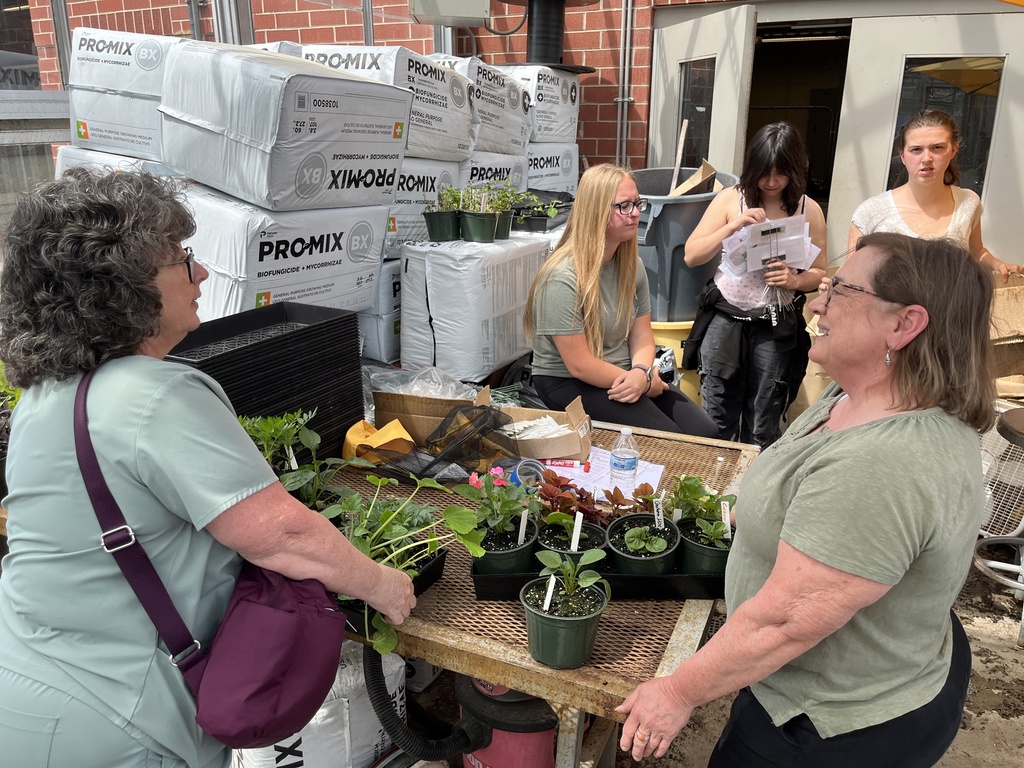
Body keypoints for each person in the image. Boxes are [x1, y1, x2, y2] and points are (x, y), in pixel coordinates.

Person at [0, 169, 416, 768]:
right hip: (124, 722)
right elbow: (286, 537)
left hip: (30, 690)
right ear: (124, 284)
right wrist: (382, 585)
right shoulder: (157, 395)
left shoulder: (46, 395)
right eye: (181, 258)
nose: (202, 274)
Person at [616, 232, 993, 767]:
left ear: (904, 324)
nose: (817, 301)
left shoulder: (880, 465)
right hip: (844, 672)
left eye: (840, 290)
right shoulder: (859, 395)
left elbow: (783, 622)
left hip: (828, 723)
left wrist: (677, 693)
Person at [524, 163, 719, 438]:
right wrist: (643, 380)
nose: (636, 213)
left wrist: (642, 372)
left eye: (638, 203)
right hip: (567, 381)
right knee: (669, 438)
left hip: (627, 373)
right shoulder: (562, 277)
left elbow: (642, 335)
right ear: (597, 211)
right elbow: (579, 364)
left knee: (706, 431)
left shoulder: (632, 265)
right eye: (624, 206)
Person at [683, 122, 828, 448]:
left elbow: (819, 273)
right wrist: (732, 226)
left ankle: (752, 491)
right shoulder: (730, 200)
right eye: (764, 173)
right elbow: (692, 255)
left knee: (764, 419)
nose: (772, 182)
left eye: (781, 173)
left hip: (774, 323)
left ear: (796, 170)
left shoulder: (808, 209)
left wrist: (794, 280)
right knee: (716, 416)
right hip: (726, 317)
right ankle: (713, 490)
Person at [850, 108, 1021, 280]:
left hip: (953, 305)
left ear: (953, 150)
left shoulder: (968, 202)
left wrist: (998, 264)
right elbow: (851, 275)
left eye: (937, 148)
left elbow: (976, 251)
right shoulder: (870, 212)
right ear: (902, 156)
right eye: (916, 149)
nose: (926, 158)